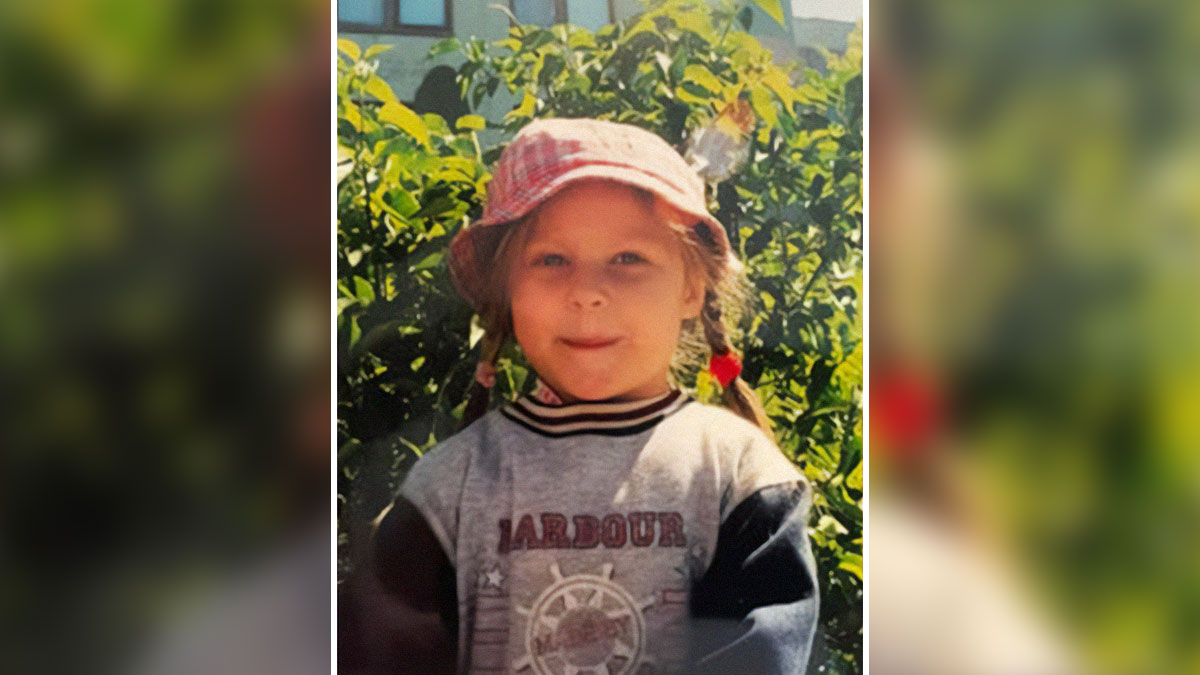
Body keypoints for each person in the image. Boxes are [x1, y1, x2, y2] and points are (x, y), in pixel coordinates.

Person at [339, 118, 818, 674]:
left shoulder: (737, 473)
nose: (587, 292)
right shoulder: (452, 484)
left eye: (628, 259)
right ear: (507, 288)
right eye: (551, 260)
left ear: (691, 288)